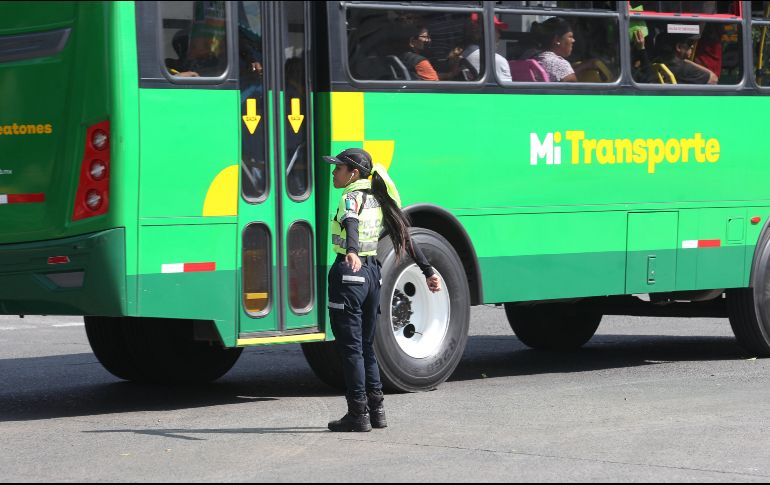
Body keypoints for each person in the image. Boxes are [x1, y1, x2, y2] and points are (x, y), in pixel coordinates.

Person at [322, 148, 441, 432]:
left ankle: (357, 413)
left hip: (350, 273)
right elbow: (405, 237)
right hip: (373, 275)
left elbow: (350, 221)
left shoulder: (350, 197)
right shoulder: (379, 200)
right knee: (366, 345)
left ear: (354, 173)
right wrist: (427, 270)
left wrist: (350, 251)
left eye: (338, 168)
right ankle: (377, 411)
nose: (333, 172)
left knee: (351, 349)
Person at [462, 14, 512, 82]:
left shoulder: (459, 55)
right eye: (496, 30)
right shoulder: (497, 60)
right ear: (484, 32)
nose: (499, 35)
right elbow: (506, 92)